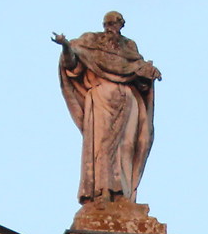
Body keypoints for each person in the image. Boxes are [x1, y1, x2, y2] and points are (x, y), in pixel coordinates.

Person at [54, 12, 161, 210]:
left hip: (128, 100)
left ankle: (124, 194)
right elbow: (73, 64)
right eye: (107, 23)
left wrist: (147, 74)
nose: (110, 27)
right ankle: (101, 193)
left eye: (114, 23)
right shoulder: (90, 43)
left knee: (128, 146)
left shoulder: (129, 47)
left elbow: (139, 76)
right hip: (102, 96)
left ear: (122, 25)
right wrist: (66, 46)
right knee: (102, 146)